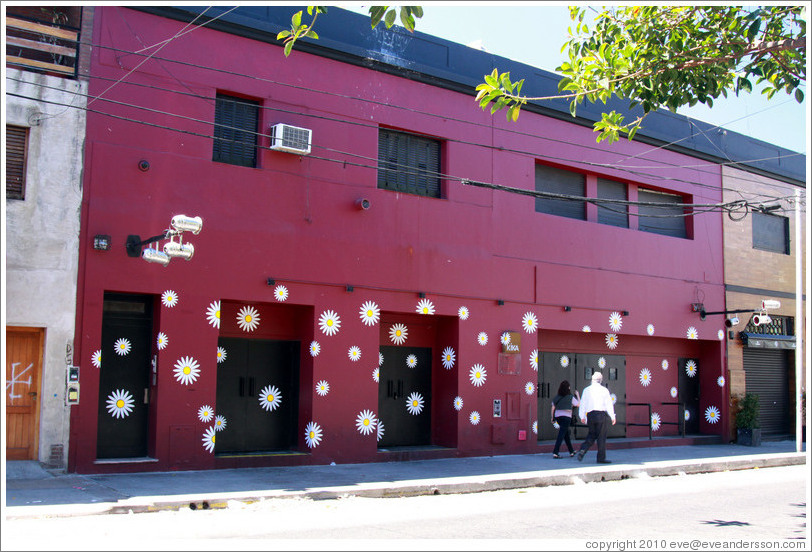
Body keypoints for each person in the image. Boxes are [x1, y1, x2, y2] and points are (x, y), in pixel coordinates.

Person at [576, 371, 616, 464]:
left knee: (591, 434)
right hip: (601, 414)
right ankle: (601, 458)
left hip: (590, 415)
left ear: (592, 380)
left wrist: (582, 416)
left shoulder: (586, 390)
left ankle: (583, 449)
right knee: (601, 437)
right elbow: (609, 404)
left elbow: (583, 404)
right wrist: (612, 416)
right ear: (601, 380)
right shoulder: (604, 390)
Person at [550, 380, 580, 458]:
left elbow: (553, 407)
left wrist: (552, 417)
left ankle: (571, 451)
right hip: (566, 417)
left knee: (565, 434)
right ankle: (555, 452)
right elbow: (578, 404)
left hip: (558, 417)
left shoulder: (557, 397)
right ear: (568, 388)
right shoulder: (570, 397)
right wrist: (578, 395)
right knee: (561, 434)